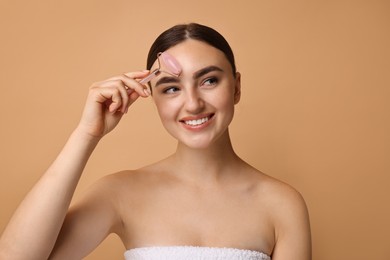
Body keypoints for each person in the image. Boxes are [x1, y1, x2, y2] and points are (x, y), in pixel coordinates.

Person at [0, 23, 311, 260]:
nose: (192, 104)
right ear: (153, 97)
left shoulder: (282, 204)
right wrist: (86, 134)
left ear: (237, 87)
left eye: (209, 80)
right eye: (171, 88)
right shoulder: (121, 192)